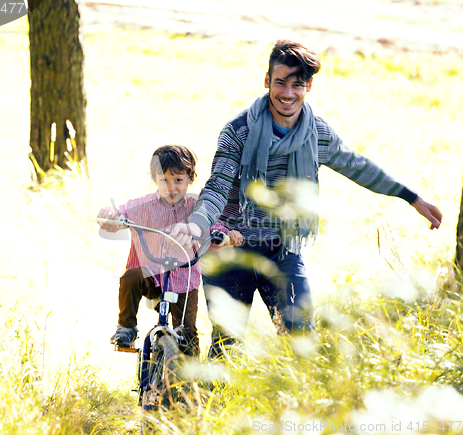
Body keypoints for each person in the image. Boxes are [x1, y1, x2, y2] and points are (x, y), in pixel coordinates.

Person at [170, 40, 442, 357]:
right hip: (229, 246)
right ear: (267, 81)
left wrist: (412, 198)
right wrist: (196, 225)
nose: (287, 93)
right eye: (280, 82)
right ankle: (205, 402)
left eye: (296, 84)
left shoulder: (317, 134)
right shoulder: (238, 131)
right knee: (227, 346)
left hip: (282, 248)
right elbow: (217, 186)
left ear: (308, 86)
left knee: (301, 340)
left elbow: (359, 166)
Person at [97, 145, 242, 356]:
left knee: (188, 334)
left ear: (190, 179)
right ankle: (126, 328)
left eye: (178, 180)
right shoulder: (143, 205)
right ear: (155, 179)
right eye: (164, 180)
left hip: (184, 279)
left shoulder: (196, 207)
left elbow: (214, 229)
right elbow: (118, 216)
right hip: (151, 274)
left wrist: (227, 235)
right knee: (130, 277)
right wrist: (109, 216)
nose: (171, 187)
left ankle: (189, 382)